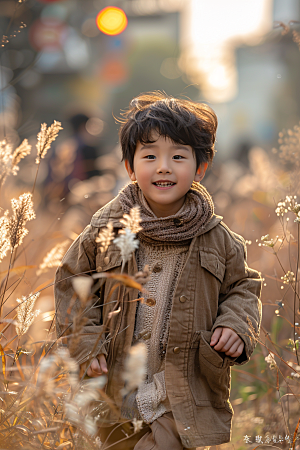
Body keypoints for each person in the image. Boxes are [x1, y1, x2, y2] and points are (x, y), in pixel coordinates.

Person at [55, 92, 262, 450]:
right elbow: (73, 283)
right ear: (130, 168)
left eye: (178, 157)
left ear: (200, 168)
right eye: (150, 156)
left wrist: (235, 324)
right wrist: (86, 343)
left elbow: (243, 286)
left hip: (180, 391)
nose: (164, 167)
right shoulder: (108, 227)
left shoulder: (218, 238)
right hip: (114, 387)